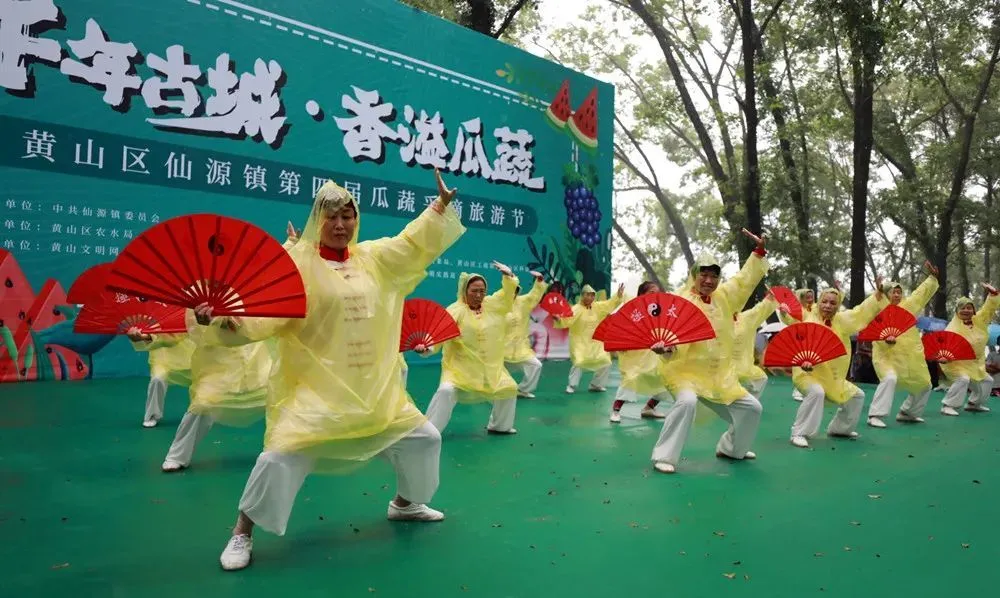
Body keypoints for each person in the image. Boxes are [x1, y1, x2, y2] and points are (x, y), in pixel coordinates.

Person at [195, 169, 465, 571]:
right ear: (316, 220)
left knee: (424, 438)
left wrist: (439, 207)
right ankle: (242, 531)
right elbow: (262, 313)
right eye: (331, 216)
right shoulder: (296, 267)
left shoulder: (372, 258)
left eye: (348, 216)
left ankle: (405, 504)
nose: (340, 225)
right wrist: (222, 319)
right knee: (278, 458)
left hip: (375, 392)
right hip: (316, 393)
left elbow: (411, 244)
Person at [650, 230, 769, 474]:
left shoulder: (724, 297)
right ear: (694, 275)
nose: (709, 280)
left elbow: (744, 280)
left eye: (714, 275)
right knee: (687, 401)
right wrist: (666, 350)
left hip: (717, 375)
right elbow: (670, 337)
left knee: (752, 408)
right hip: (682, 372)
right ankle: (664, 456)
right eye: (703, 274)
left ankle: (731, 448)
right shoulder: (679, 302)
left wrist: (758, 254)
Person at [128, 312, 273, 472]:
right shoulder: (193, 305)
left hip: (257, 366)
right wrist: (146, 337)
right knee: (202, 405)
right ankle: (177, 456)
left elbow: (261, 325)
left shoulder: (247, 295)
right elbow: (175, 332)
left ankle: (281, 449)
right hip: (218, 369)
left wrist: (226, 321)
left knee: (279, 402)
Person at [424, 264, 521, 434]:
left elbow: (506, 296)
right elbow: (438, 335)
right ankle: (429, 431)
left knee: (509, 388)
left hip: (489, 370)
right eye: (474, 291)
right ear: (464, 290)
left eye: (482, 291)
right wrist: (426, 347)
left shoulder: (492, 305)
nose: (478, 295)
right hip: (459, 370)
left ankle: (500, 426)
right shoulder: (455, 311)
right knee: (446, 390)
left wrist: (509, 277)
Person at [789, 282, 887, 448]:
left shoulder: (842, 320)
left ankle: (840, 429)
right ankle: (798, 432)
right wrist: (801, 360)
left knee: (857, 396)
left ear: (838, 305)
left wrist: (877, 295)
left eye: (833, 303)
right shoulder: (807, 317)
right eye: (824, 302)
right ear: (818, 302)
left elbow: (860, 313)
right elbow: (791, 323)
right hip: (807, 374)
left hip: (832, 378)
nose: (827, 306)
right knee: (817, 392)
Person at [866, 263, 939, 428]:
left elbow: (920, 294)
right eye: (893, 291)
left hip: (908, 357)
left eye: (899, 292)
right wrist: (885, 340)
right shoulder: (878, 310)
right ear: (886, 294)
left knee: (925, 384)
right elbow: (872, 330)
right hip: (885, 357)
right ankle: (875, 414)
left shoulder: (908, 307)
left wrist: (932, 278)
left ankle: (908, 412)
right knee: (890, 378)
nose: (897, 295)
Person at [609, 281, 669, 423]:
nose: (655, 296)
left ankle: (649, 408)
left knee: (665, 381)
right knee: (630, 380)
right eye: (651, 292)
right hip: (633, 354)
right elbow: (619, 328)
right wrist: (620, 344)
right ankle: (616, 411)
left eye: (657, 293)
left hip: (652, 353)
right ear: (641, 294)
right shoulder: (632, 310)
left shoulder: (658, 311)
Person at [939, 283, 1000, 416]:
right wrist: (943, 358)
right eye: (963, 308)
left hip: (974, 364)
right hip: (955, 363)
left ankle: (973, 404)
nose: (966, 310)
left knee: (988, 380)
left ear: (973, 310)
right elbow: (944, 347)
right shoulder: (952, 328)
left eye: (969, 308)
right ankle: (947, 405)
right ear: (957, 311)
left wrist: (993, 295)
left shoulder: (979, 321)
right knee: (964, 379)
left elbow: (988, 309)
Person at [555, 283, 625, 393]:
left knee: (606, 361)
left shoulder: (597, 307)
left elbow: (609, 304)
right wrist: (559, 319)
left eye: (592, 295)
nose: (590, 297)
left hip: (595, 342)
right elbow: (567, 320)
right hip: (579, 342)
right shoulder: (576, 309)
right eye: (587, 295)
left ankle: (596, 385)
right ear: (582, 295)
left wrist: (618, 295)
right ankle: (572, 386)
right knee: (579, 362)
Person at [133, 333, 195, 428]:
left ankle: (199, 413)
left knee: (200, 381)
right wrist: (141, 337)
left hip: (189, 355)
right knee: (157, 379)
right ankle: (152, 415)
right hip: (162, 357)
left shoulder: (189, 318)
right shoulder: (152, 319)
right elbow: (147, 339)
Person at [503, 271, 548, 399]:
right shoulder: (498, 303)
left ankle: (523, 389)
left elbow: (533, 296)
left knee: (536, 365)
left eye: (515, 290)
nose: (513, 292)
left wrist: (539, 281)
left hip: (519, 348)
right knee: (492, 372)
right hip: (501, 349)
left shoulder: (522, 302)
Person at [734, 290, 778, 399]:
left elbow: (758, 311)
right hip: (718, 367)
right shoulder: (717, 316)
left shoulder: (744, 318)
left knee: (761, 378)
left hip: (741, 365)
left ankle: (748, 405)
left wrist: (769, 300)